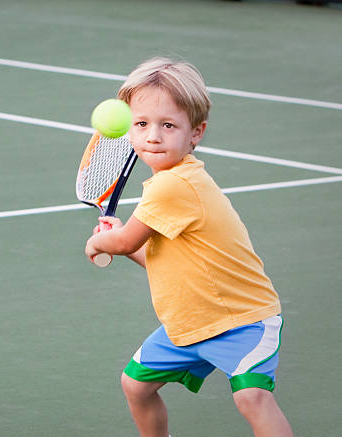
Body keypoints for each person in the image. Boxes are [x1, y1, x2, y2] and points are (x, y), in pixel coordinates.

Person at [84, 57, 293, 437]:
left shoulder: (172, 186)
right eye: (142, 124)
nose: (153, 136)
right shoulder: (172, 184)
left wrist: (102, 240)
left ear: (196, 133)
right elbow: (157, 260)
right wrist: (121, 242)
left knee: (252, 398)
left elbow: (127, 239)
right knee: (136, 385)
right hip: (190, 322)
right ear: (128, 130)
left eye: (168, 125)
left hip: (241, 320)